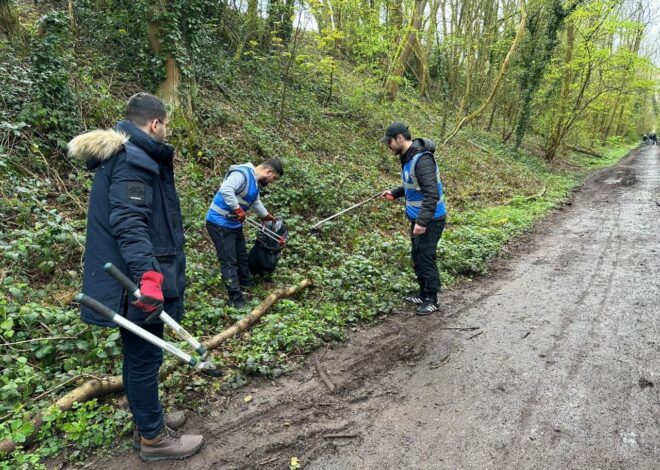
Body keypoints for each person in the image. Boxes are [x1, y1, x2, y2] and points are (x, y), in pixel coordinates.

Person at [68, 92, 203, 462]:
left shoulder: (126, 155)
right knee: (144, 359)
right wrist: (150, 278)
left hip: (132, 278)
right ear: (155, 124)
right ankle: (154, 439)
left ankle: (149, 421)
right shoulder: (134, 160)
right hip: (136, 283)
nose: (166, 131)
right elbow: (129, 224)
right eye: (166, 125)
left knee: (138, 357)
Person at [380, 122, 447, 315]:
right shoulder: (408, 158)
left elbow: (431, 193)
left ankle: (432, 299)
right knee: (417, 256)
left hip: (431, 219)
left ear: (400, 138)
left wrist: (422, 222)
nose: (388, 146)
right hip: (418, 218)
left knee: (426, 257)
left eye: (390, 142)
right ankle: (422, 292)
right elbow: (412, 186)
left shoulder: (422, 159)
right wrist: (394, 192)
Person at [206, 159, 284, 307]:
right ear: (269, 172)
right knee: (229, 261)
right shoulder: (241, 174)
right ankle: (235, 299)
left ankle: (246, 284)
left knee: (242, 257)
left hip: (234, 224)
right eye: (274, 178)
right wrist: (238, 209)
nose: (272, 181)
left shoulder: (254, 182)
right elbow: (226, 189)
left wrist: (265, 215)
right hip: (219, 223)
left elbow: (255, 202)